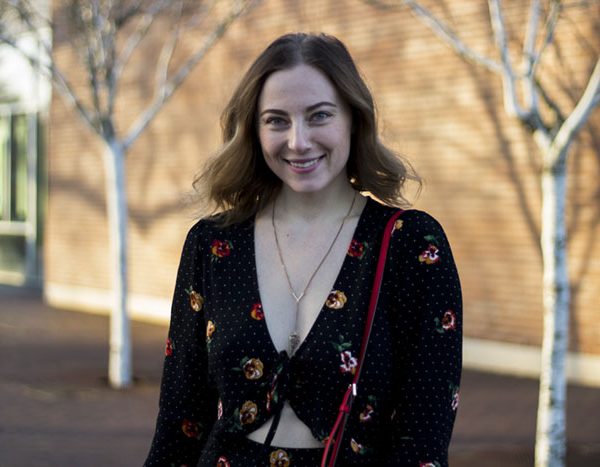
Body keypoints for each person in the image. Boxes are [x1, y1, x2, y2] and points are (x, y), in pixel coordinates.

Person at [145, 32, 462, 467]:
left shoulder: (410, 244)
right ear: (253, 130)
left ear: (354, 119)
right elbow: (179, 424)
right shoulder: (213, 244)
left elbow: (423, 441)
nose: (298, 141)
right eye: (276, 120)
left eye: (319, 116)